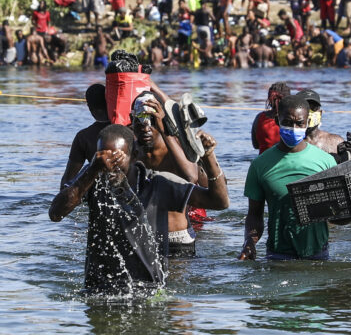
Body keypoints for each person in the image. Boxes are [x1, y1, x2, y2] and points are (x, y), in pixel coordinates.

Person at [49, 124, 229, 293]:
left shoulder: (158, 185)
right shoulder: (93, 180)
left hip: (147, 289)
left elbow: (219, 202)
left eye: (117, 157)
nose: (110, 165)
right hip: (99, 288)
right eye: (103, 157)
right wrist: (92, 170)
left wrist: (208, 157)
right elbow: (56, 213)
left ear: (135, 155)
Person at [238, 95, 340, 261]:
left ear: (307, 123)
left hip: (318, 255)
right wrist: (249, 242)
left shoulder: (326, 161)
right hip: (277, 256)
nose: (294, 128)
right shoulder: (260, 165)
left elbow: (338, 212)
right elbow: (254, 214)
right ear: (278, 120)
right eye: (287, 122)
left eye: (300, 123)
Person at [130, 91, 214, 256]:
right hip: (140, 234)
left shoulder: (173, 145)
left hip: (176, 236)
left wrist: (163, 130)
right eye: (141, 121)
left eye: (152, 122)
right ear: (131, 120)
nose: (146, 128)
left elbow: (191, 177)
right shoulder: (129, 149)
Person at [60, 84, 110, 188]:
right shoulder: (129, 129)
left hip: (98, 194)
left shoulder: (83, 137)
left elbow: (68, 179)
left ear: (89, 107)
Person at [297, 89, 344, 154]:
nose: (309, 113)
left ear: (320, 113)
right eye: (304, 108)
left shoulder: (336, 142)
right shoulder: (289, 145)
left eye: (313, 108)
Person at [251, 82, 291, 154]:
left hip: (263, 162)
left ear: (270, 99)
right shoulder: (294, 118)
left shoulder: (259, 118)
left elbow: (256, 145)